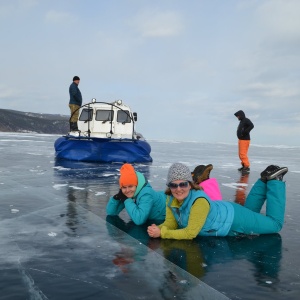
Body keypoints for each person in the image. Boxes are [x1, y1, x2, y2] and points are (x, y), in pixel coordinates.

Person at [147, 163, 288, 240]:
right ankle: (264, 180)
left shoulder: (199, 201)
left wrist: (163, 233)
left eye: (183, 184)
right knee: (251, 213)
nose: (178, 189)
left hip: (234, 219)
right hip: (226, 218)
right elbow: (171, 222)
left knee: (275, 225)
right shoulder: (171, 199)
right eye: (173, 185)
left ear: (190, 184)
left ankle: (275, 181)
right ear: (169, 186)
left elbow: (190, 233)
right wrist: (159, 228)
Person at [106, 163, 222, 226]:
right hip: (163, 199)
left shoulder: (145, 194)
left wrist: (126, 200)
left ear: (136, 185)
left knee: (211, 203)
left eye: (130, 186)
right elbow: (111, 213)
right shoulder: (129, 194)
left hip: (170, 201)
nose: (127, 190)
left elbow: (139, 219)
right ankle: (196, 180)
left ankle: (203, 182)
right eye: (124, 188)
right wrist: (117, 198)